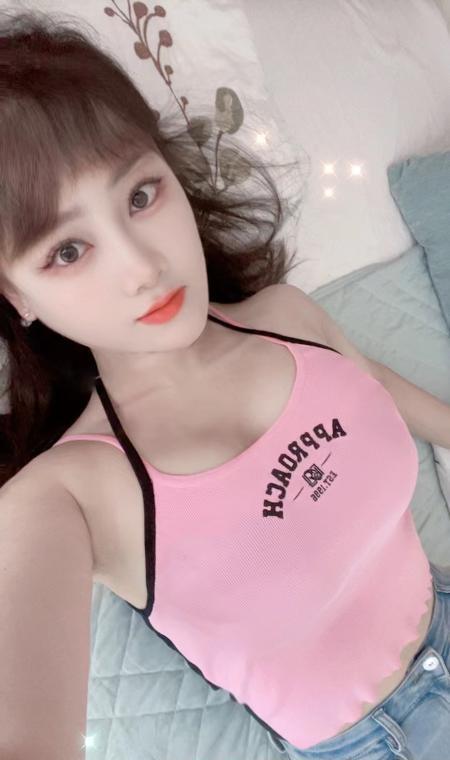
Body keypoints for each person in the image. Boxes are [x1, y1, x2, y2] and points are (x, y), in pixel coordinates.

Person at [0, 9, 449, 760]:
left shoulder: (286, 317)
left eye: (141, 195)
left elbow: (372, 386)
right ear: (15, 295)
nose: (143, 267)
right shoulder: (63, 497)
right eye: (68, 250)